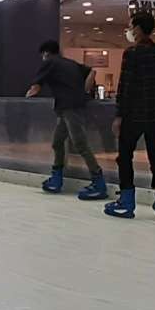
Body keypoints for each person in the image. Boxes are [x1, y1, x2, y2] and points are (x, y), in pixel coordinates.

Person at [106, 11, 155, 219]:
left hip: (135, 115)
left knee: (125, 157)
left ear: (137, 28)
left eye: (130, 26)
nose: (129, 30)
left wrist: (119, 115)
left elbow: (125, 87)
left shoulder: (132, 53)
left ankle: (127, 201)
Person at [26, 40, 106, 199]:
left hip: (70, 108)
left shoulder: (49, 62)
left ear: (45, 53)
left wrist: (28, 94)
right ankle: (57, 177)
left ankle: (99, 182)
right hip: (66, 108)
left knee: (80, 144)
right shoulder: (70, 63)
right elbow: (92, 72)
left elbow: (36, 87)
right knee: (57, 142)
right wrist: (84, 90)